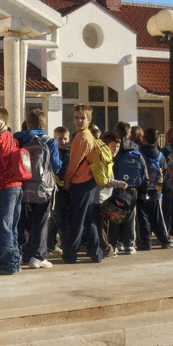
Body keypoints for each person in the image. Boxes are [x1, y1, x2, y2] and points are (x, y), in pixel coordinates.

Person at [14, 109, 62, 269]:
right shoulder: (49, 141)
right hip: (43, 188)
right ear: (43, 124)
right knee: (41, 222)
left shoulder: (19, 138)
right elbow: (56, 166)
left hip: (23, 186)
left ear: (28, 123)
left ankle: (22, 253)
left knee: (23, 221)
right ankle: (38, 257)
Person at [0, 107, 24, 275]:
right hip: (12, 187)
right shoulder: (9, 138)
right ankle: (14, 261)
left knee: (4, 228)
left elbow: (2, 158)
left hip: (7, 188)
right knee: (11, 227)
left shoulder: (4, 138)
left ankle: (9, 264)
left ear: (5, 123)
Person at [63, 104, 102, 264]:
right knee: (86, 219)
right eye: (76, 117)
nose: (79, 121)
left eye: (82, 118)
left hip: (82, 182)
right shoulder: (87, 135)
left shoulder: (82, 137)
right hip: (88, 181)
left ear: (89, 119)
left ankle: (71, 254)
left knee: (77, 220)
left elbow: (74, 162)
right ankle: (96, 253)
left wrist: (67, 179)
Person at [92, 133, 129, 258]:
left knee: (104, 225)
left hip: (105, 198)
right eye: (113, 146)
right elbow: (105, 180)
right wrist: (118, 184)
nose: (116, 150)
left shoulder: (107, 158)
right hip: (99, 199)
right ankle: (106, 249)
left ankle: (103, 248)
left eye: (118, 147)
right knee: (101, 227)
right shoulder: (102, 158)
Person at [137, 128, 173, 250]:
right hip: (156, 188)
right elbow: (165, 171)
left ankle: (146, 242)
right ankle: (165, 240)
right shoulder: (160, 155)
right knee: (157, 216)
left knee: (143, 217)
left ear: (143, 139)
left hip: (142, 188)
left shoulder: (139, 153)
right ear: (157, 141)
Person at [111, 121, 142, 254]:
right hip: (132, 186)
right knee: (130, 215)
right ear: (129, 134)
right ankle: (129, 244)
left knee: (116, 214)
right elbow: (143, 168)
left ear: (116, 132)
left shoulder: (115, 146)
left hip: (117, 184)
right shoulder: (135, 148)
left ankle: (116, 243)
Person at [47, 126, 70, 256]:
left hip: (67, 189)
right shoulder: (55, 152)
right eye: (60, 139)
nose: (63, 141)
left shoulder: (69, 152)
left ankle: (50, 244)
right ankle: (66, 245)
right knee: (60, 218)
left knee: (55, 219)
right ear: (55, 139)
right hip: (57, 189)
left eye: (65, 139)